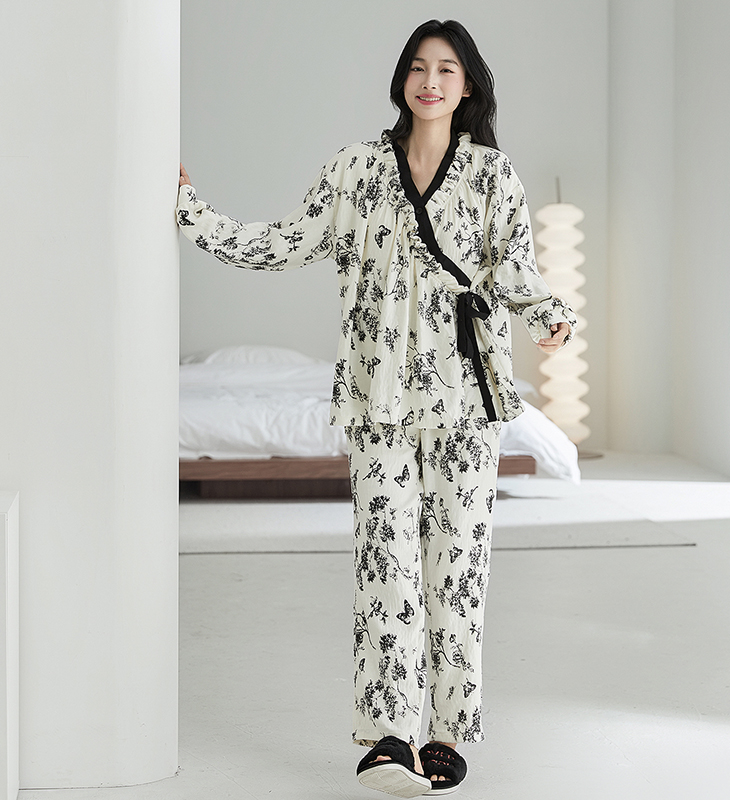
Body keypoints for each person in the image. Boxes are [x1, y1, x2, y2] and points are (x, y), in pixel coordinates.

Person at [177, 18, 576, 798]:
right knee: (384, 565)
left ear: (467, 85)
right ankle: (390, 736)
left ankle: (447, 735)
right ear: (402, 79)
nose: (430, 81)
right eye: (418, 67)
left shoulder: (492, 174)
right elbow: (286, 241)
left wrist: (550, 317)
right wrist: (192, 210)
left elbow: (517, 272)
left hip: (464, 402)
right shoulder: (356, 169)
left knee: (456, 571)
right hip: (377, 398)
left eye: (447, 69)